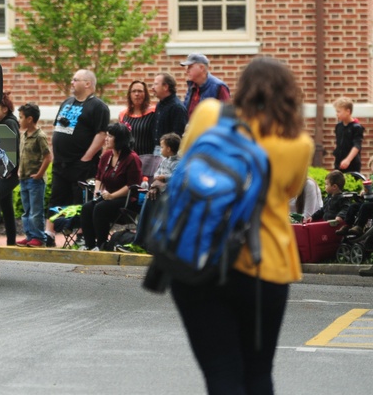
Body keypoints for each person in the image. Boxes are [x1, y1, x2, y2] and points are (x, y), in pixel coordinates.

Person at [170, 57, 313, 395]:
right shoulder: (298, 144)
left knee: (221, 375)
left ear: (243, 87)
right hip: (266, 264)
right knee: (258, 374)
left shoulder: (209, 114)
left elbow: (185, 163)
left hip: (200, 257)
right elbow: (292, 191)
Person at [49, 69, 110, 211]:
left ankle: (81, 230)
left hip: (81, 164)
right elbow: (57, 128)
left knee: (80, 200)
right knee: (56, 198)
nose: (72, 82)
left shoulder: (98, 107)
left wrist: (86, 158)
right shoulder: (66, 102)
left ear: (87, 83)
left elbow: (101, 134)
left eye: (75, 80)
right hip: (60, 162)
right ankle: (50, 231)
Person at [79, 122, 142, 251]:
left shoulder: (132, 158)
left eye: (110, 136)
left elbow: (132, 185)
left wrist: (112, 196)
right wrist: (97, 190)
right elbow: (98, 177)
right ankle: (89, 245)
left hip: (125, 199)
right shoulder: (107, 155)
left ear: (119, 139)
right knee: (87, 207)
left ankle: (102, 245)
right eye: (106, 135)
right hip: (107, 196)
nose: (106, 139)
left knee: (100, 208)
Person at [133, 132, 182, 250]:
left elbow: (176, 178)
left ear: (169, 149)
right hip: (159, 190)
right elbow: (156, 175)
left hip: (170, 195)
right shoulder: (164, 161)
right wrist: (155, 185)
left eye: (163, 147)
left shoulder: (178, 162)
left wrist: (164, 179)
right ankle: (141, 240)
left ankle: (143, 241)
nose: (161, 149)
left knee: (151, 199)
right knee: (150, 196)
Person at [15, 102, 54, 248]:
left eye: (21, 117)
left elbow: (48, 157)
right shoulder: (24, 135)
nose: (19, 120)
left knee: (35, 211)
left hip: (35, 180)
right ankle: (30, 235)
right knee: (27, 211)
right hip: (24, 178)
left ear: (30, 119)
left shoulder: (40, 136)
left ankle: (39, 237)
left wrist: (39, 174)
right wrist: (19, 170)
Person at [0, 93, 20, 247]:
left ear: (5, 108)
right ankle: (11, 242)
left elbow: (12, 147)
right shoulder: (6, 122)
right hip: (5, 173)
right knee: (7, 208)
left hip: (8, 174)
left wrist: (8, 170)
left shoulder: (9, 123)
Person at [119, 80, 157, 174]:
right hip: (128, 160)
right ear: (130, 94)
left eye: (140, 91)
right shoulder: (124, 114)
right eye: (134, 91)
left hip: (148, 160)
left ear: (145, 94)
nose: (137, 94)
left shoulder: (153, 112)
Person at [151, 72, 188, 145]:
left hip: (169, 152)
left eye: (156, 84)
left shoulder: (177, 108)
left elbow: (178, 135)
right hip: (158, 149)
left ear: (165, 87)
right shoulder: (159, 105)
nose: (152, 87)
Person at [332, 97, 363, 173]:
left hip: (352, 164)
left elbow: (357, 145)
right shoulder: (338, 126)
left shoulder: (356, 127)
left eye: (339, 111)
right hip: (339, 163)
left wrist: (348, 160)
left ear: (348, 111)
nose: (337, 114)